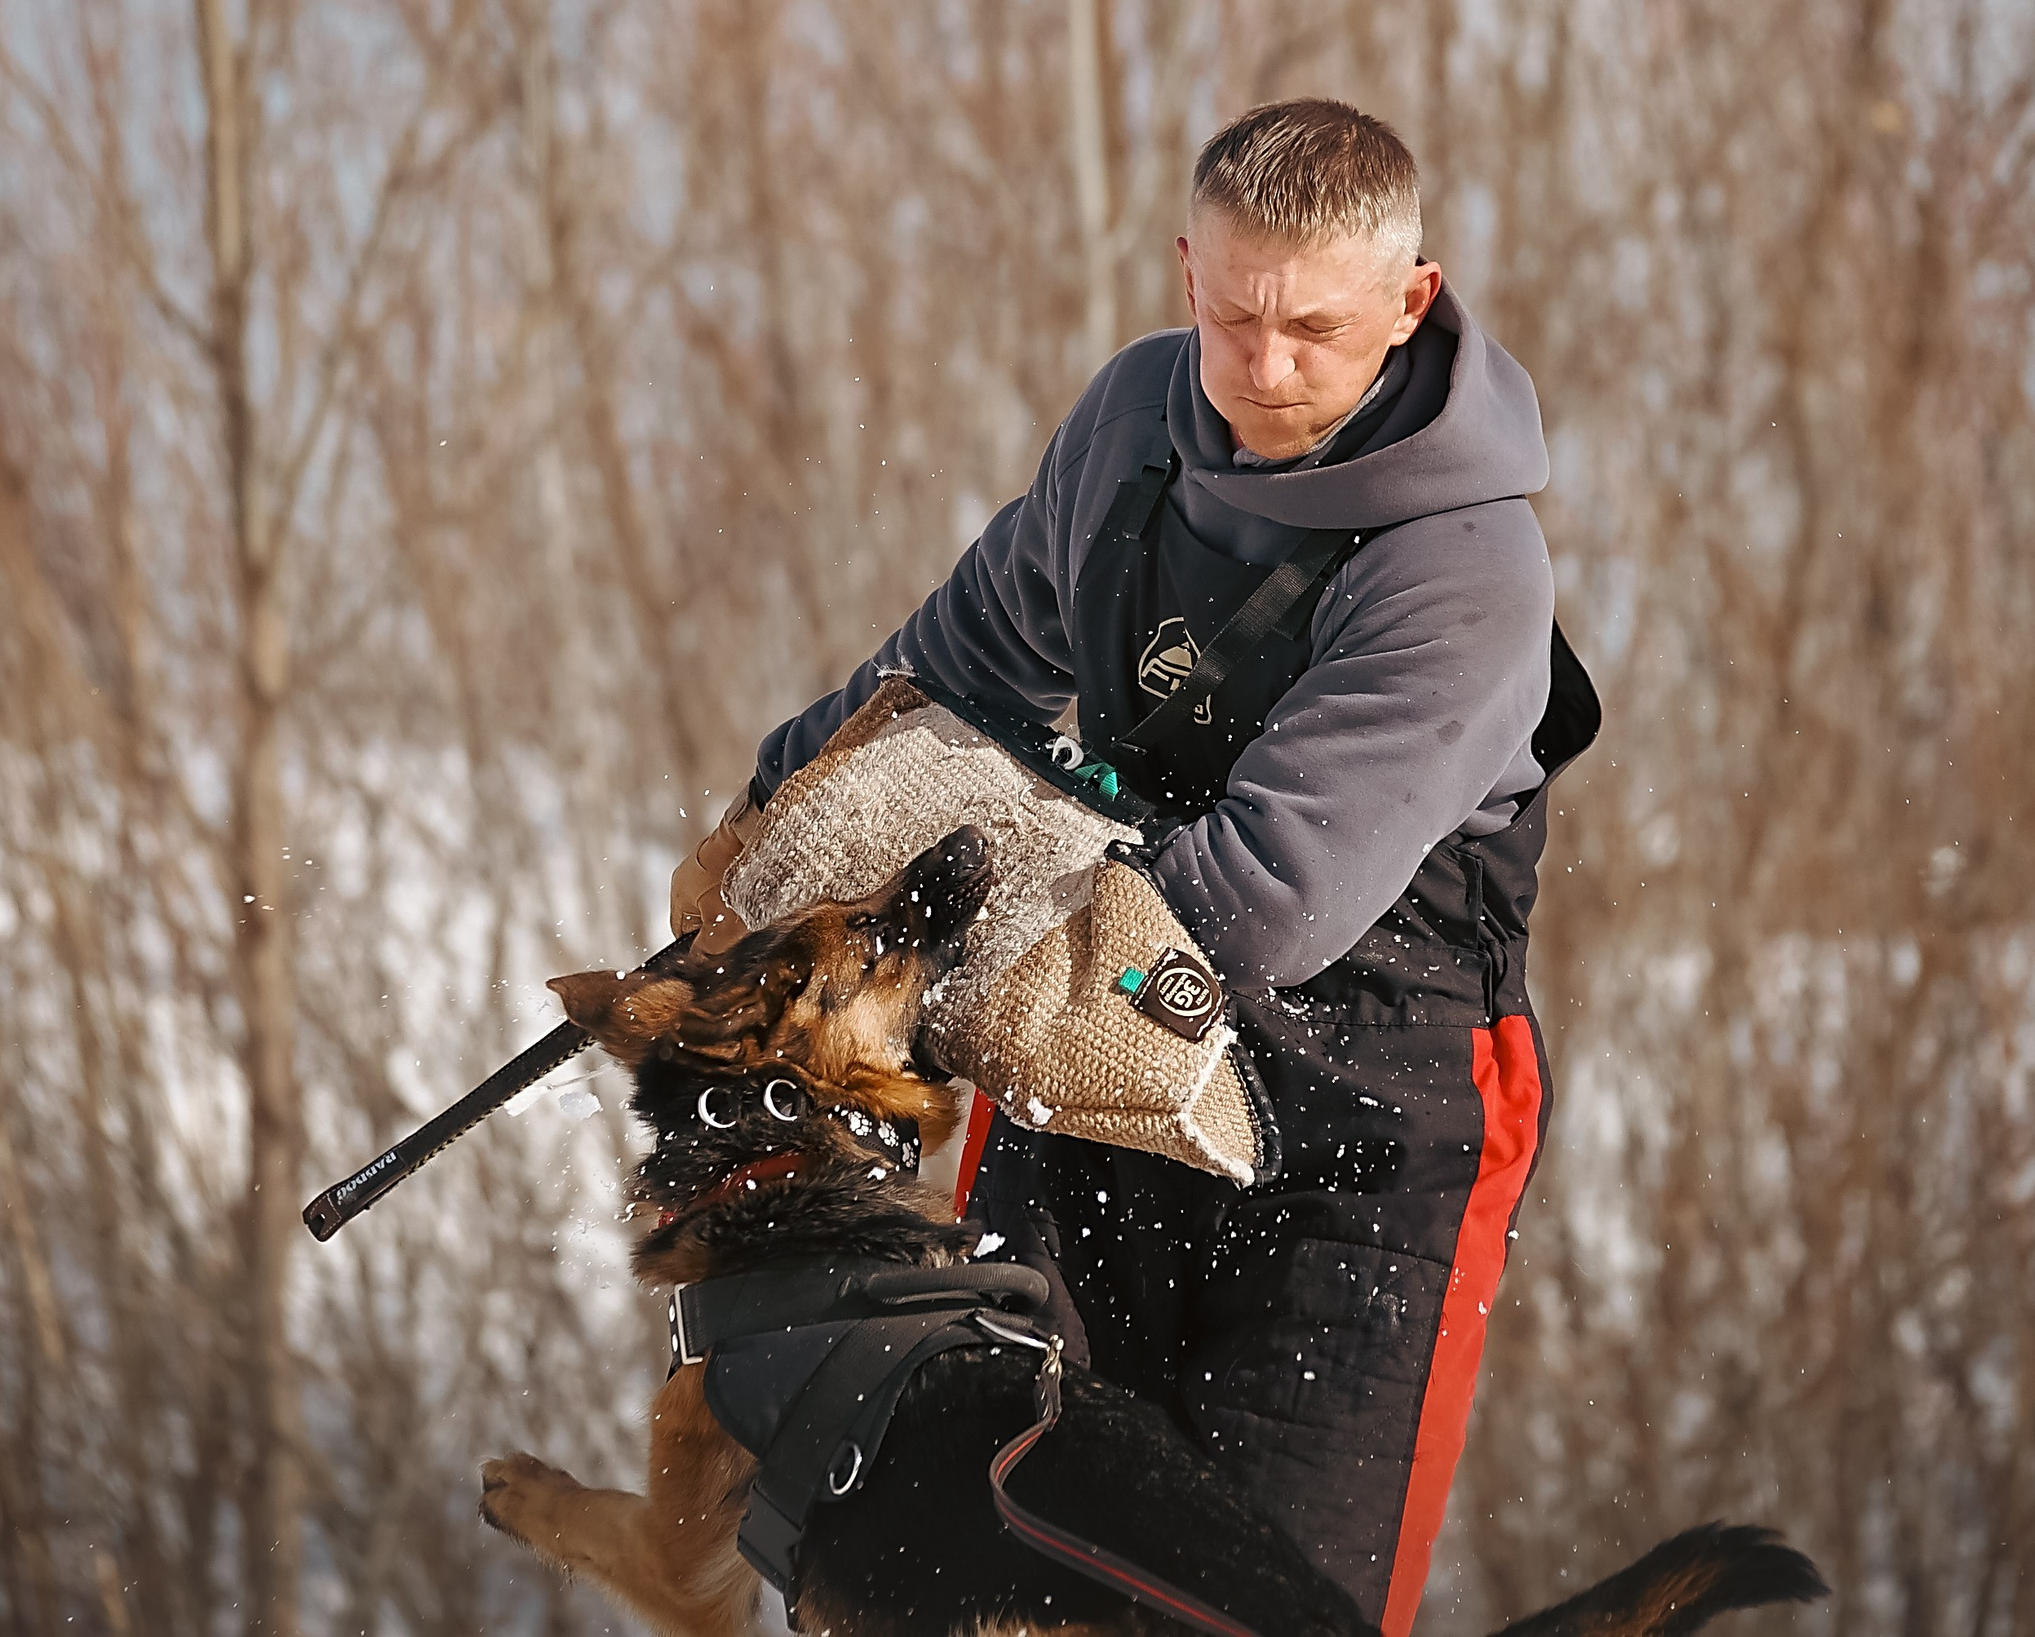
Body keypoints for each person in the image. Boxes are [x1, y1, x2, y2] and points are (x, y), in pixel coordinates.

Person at [671, 97, 1596, 1634]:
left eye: (1313, 326)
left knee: (1252, 1607)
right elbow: (961, 663)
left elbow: (1265, 900)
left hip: (1362, 1132)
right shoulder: (1131, 428)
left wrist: (960, 959)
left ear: (1412, 301)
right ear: (1185, 276)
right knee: (968, 1539)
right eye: (1232, 313)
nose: (1265, 365)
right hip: (1089, 1087)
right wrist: (783, 816)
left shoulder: (1466, 569)